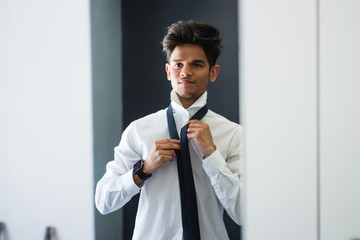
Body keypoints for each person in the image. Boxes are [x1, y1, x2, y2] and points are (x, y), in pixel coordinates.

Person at [95, 20, 243, 240]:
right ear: (168, 71)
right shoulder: (139, 130)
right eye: (178, 64)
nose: (185, 72)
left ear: (213, 73)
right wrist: (142, 170)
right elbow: (103, 201)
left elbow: (244, 212)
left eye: (196, 64)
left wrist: (212, 155)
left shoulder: (233, 134)